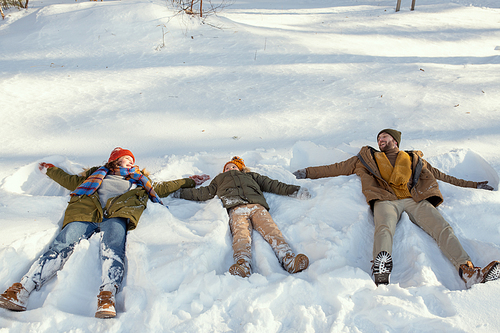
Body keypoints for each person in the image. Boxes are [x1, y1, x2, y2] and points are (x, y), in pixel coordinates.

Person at [0, 147, 209, 318]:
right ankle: (22, 288)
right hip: (86, 214)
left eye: (131, 159)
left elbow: (163, 187)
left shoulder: (139, 180)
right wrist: (51, 170)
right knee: (62, 244)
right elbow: (69, 181)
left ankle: (107, 296)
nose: (130, 162)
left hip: (116, 216)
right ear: (115, 161)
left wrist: (189, 180)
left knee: (113, 248)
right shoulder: (95, 175)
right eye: (126, 158)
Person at [293, 129, 500, 288]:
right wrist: (306, 172)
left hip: (414, 198)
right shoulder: (365, 159)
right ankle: (381, 269)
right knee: (384, 228)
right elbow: (334, 168)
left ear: (395, 141)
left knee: (442, 228)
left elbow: (444, 176)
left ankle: (468, 271)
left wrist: (474, 185)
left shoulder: (414, 159)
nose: (380, 140)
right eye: (378, 138)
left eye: (384, 137)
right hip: (384, 199)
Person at [175, 156, 311, 277]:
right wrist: (180, 193)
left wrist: (295, 190)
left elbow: (272, 185)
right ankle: (243, 265)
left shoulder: (251, 176)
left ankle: (289, 259)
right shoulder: (219, 179)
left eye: (233, 166)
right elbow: (203, 193)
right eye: (227, 168)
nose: (230, 168)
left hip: (257, 207)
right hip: (236, 208)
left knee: (271, 230)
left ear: (240, 169)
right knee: (241, 236)